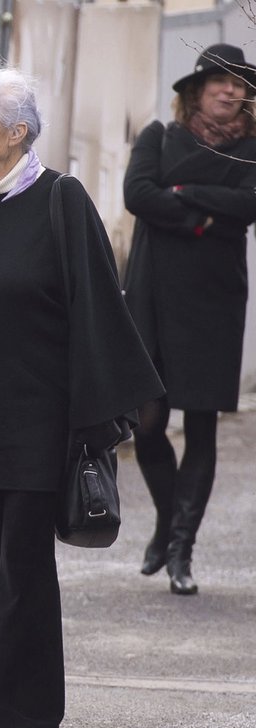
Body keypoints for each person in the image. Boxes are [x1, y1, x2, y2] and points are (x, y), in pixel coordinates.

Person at [0, 64, 163, 728]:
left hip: (37, 418)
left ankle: (30, 718)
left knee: (23, 562)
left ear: (17, 133)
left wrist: (96, 420)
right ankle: (19, 712)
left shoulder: (60, 200)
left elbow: (96, 307)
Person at [123, 43, 256, 596]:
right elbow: (137, 195)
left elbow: (249, 204)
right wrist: (205, 214)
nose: (232, 90)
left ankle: (181, 547)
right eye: (221, 81)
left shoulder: (251, 150)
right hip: (153, 295)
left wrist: (182, 194)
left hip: (213, 300)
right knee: (147, 422)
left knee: (201, 423)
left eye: (241, 85)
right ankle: (166, 517)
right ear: (195, 90)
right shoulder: (158, 136)